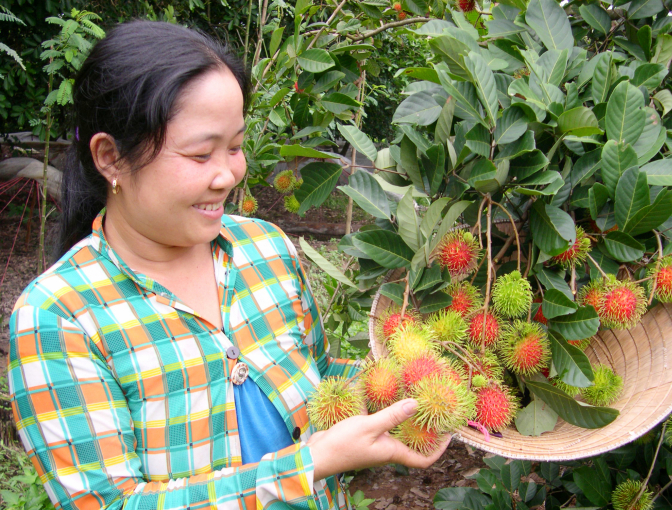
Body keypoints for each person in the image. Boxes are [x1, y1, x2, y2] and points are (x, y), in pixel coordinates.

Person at [8, 21, 449, 510]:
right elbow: (109, 503)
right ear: (110, 158)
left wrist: (417, 379)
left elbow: (320, 379)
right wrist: (306, 467)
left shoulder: (267, 248)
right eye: (200, 154)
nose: (228, 174)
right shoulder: (58, 316)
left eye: (236, 147)